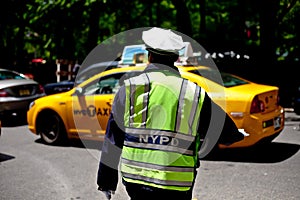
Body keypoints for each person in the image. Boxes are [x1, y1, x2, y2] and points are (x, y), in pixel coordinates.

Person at [97, 27, 244, 200]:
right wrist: (235, 135)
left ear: (149, 56)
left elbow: (113, 138)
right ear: (176, 58)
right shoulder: (193, 92)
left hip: (135, 180)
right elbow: (223, 130)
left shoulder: (128, 89)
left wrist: (106, 182)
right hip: (175, 183)